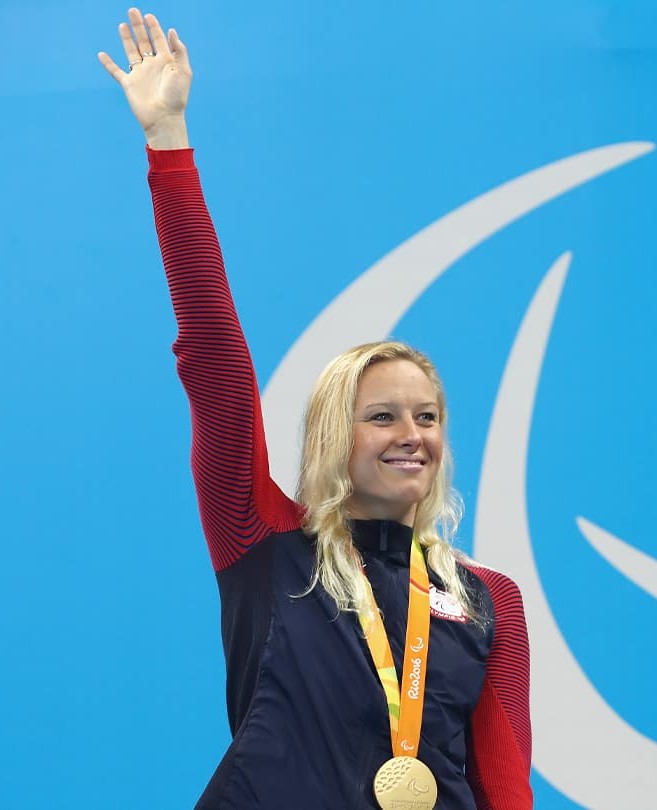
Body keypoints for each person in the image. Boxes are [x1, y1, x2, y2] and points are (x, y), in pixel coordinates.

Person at [98, 9, 532, 809]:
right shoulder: (262, 541)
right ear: (336, 434)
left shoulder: (488, 601)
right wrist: (169, 144)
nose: (412, 437)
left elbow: (506, 788)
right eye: (383, 417)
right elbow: (214, 360)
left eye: (427, 417)